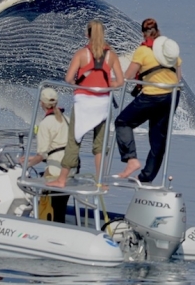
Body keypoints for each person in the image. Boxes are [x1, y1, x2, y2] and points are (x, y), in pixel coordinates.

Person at [47, 19, 124, 188]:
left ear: (87, 34)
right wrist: (104, 85)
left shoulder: (82, 54)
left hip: (83, 103)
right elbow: (120, 81)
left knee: (75, 140)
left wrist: (82, 82)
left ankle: (61, 179)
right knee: (100, 144)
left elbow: (68, 78)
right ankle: (101, 181)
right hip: (102, 103)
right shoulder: (111, 55)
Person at [114, 18, 182, 182]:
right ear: (158, 31)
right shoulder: (169, 50)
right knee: (158, 139)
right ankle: (146, 177)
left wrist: (115, 80)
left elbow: (128, 76)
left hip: (153, 95)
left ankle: (131, 159)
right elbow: (178, 77)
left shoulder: (142, 51)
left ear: (143, 33)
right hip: (172, 96)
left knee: (122, 122)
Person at [22, 87, 71, 222]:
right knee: (60, 206)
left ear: (41, 103)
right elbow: (59, 147)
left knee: (49, 206)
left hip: (56, 170)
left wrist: (25, 165)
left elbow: (41, 156)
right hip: (71, 169)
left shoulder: (45, 123)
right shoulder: (67, 119)